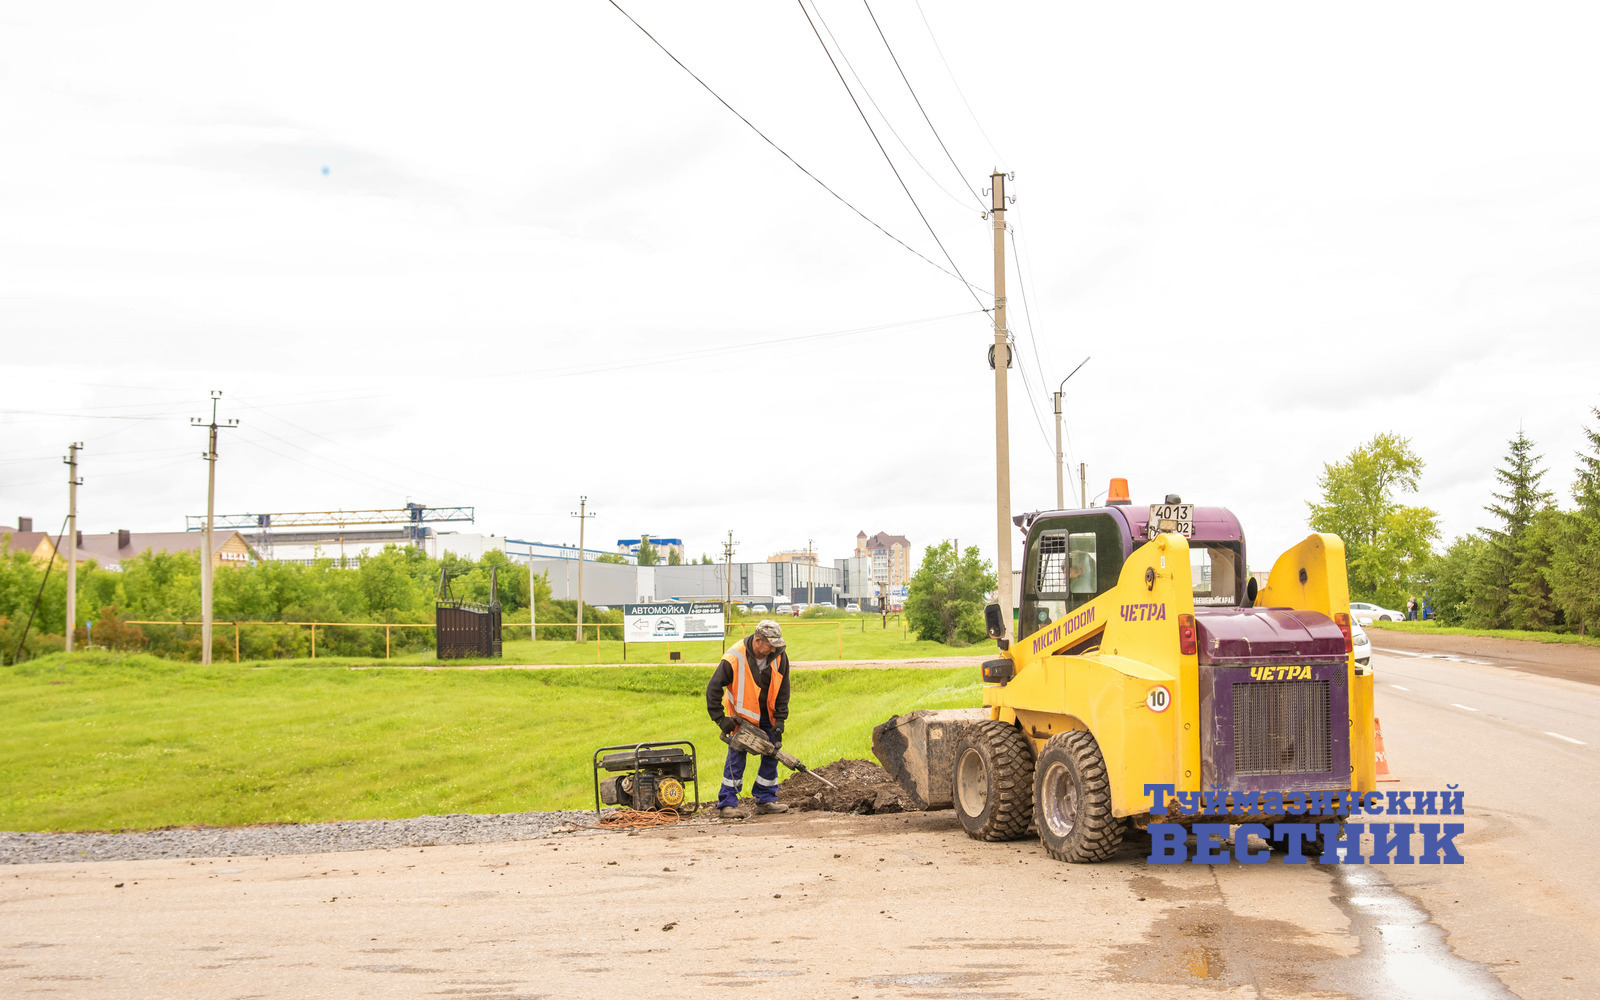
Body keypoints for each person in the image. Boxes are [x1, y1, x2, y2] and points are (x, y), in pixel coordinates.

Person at [706, 620, 792, 819]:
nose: (773, 649)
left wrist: (780, 719)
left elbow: (783, 689)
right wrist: (721, 719)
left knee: (772, 753)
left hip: (768, 716)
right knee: (736, 757)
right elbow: (713, 689)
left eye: (776, 645)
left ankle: (765, 799)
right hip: (742, 718)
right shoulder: (734, 657)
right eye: (770, 645)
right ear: (757, 640)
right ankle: (727, 803)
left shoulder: (779, 655)